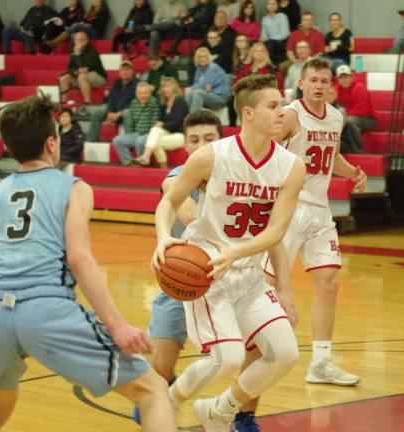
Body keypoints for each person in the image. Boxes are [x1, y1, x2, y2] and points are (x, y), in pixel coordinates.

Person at [0, 95, 176, 432]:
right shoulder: (73, 187)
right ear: (51, 143)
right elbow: (79, 258)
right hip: (46, 310)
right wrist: (118, 326)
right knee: (153, 391)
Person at [152, 73, 306, 431]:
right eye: (273, 105)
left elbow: (277, 232)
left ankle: (218, 409)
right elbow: (169, 202)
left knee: (286, 354)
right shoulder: (211, 157)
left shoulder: (291, 167)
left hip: (249, 276)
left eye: (282, 104)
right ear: (248, 114)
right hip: (207, 273)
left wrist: (281, 287)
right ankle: (169, 400)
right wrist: (163, 238)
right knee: (227, 357)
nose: (282, 110)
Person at [237, 56, 367, 432]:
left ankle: (321, 362)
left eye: (325, 80)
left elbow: (331, 159)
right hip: (287, 208)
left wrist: (353, 171)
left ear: (332, 85)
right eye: (313, 79)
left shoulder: (336, 117)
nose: (319, 85)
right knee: (267, 286)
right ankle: (255, 348)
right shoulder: (291, 115)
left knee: (329, 282)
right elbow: (263, 145)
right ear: (301, 83)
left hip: (319, 210)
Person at [133, 109, 223, 426]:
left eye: (209, 139)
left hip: (225, 285)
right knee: (160, 366)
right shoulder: (177, 174)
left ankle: (238, 412)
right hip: (181, 282)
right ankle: (162, 395)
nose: (201, 145)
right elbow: (184, 210)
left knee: (239, 356)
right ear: (185, 144)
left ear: (221, 140)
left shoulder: (236, 175)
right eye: (194, 140)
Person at [133, 77, 188, 167]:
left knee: (155, 142)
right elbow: (162, 121)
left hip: (181, 135)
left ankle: (159, 165)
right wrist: (160, 124)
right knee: (155, 129)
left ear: (174, 87)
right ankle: (147, 157)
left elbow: (177, 123)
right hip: (169, 132)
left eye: (168, 86)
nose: (165, 89)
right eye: (163, 87)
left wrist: (162, 124)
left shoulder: (179, 101)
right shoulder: (164, 103)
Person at [87, 60, 138, 142]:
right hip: (114, 111)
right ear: (119, 72)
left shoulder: (137, 84)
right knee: (97, 112)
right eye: (123, 69)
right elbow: (110, 99)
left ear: (132, 71)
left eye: (128, 69)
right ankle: (92, 140)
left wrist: (119, 113)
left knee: (127, 113)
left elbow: (135, 104)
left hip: (127, 112)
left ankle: (129, 140)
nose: (125, 72)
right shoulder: (116, 83)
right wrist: (110, 112)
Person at [57, 30, 106, 115]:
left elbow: (87, 67)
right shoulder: (74, 52)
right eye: (77, 40)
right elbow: (70, 67)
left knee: (82, 76)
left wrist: (78, 54)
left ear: (87, 40)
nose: (79, 42)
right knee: (64, 78)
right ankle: (63, 105)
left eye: (82, 39)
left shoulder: (91, 51)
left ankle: (87, 104)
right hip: (82, 77)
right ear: (74, 41)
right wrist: (75, 72)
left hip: (97, 76)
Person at [112, 82, 160, 166]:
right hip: (137, 134)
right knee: (117, 140)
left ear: (149, 93)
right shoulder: (133, 103)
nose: (142, 95)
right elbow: (131, 122)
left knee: (139, 141)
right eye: (140, 93)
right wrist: (130, 134)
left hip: (149, 134)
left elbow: (154, 122)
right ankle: (130, 163)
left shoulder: (154, 102)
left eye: (145, 92)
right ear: (136, 94)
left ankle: (142, 164)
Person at [229, 42, 277, 126]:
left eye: (262, 51)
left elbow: (273, 86)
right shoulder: (244, 67)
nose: (259, 53)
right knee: (231, 100)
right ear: (252, 53)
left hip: (262, 94)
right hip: (245, 93)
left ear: (265, 53)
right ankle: (232, 125)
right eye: (256, 51)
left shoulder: (270, 69)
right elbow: (236, 82)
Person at [334, 64, 377, 148]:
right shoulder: (335, 90)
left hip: (368, 119)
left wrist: (343, 118)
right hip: (347, 118)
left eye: (346, 77)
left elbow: (362, 111)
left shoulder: (359, 87)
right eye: (341, 77)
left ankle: (357, 150)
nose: (344, 80)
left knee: (350, 121)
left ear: (351, 77)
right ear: (338, 79)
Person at [185, 47, 230, 113]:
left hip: (220, 98)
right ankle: (184, 117)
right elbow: (197, 84)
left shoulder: (213, 67)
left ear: (208, 57)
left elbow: (202, 85)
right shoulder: (199, 69)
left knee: (197, 92)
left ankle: (191, 119)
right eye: (199, 57)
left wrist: (197, 88)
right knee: (190, 92)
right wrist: (202, 88)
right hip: (209, 95)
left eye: (204, 57)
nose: (201, 59)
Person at [260, 0, 290, 65]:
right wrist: (263, 39)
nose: (271, 6)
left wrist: (269, 39)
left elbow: (285, 34)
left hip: (282, 43)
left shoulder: (282, 16)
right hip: (270, 43)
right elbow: (264, 35)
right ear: (267, 6)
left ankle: (265, 65)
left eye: (274, 4)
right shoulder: (265, 19)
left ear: (277, 5)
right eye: (269, 4)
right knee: (256, 43)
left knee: (270, 43)